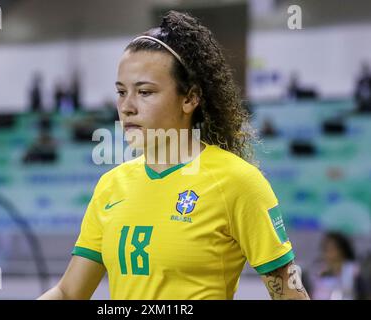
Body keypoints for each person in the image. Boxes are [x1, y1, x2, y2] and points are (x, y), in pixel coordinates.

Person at [38, 11, 309, 300]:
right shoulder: (110, 186)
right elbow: (68, 293)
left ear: (190, 98)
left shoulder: (237, 182)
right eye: (121, 92)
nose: (127, 107)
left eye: (144, 92)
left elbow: (290, 294)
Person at [310, 231, 362, 300]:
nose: (328, 252)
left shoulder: (353, 270)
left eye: (332, 248)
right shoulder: (318, 270)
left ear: (342, 250)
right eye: (326, 248)